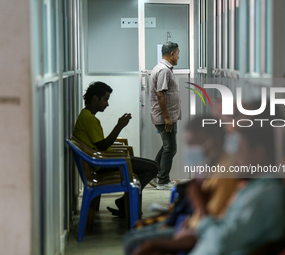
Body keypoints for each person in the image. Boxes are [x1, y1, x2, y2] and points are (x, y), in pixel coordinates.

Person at [132, 119, 285, 255]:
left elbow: (221, 240)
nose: (235, 160)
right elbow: (222, 227)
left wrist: (200, 207)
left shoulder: (263, 195)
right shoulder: (251, 187)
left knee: (138, 243)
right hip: (200, 242)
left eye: (240, 152)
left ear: (259, 152)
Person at [123, 116, 238, 255]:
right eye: (188, 143)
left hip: (196, 232)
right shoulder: (210, 165)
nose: (190, 149)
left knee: (134, 241)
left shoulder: (224, 172)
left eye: (195, 143)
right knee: (133, 235)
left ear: (215, 142)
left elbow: (210, 221)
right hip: (189, 224)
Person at [73, 81, 158, 217]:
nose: (107, 104)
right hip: (105, 164)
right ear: (95, 99)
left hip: (107, 161)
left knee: (152, 165)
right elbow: (102, 145)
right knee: (153, 168)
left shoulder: (86, 117)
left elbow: (100, 145)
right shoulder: (88, 119)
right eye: (105, 99)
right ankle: (125, 202)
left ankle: (125, 202)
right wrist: (119, 126)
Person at [150, 41, 181, 190]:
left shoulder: (162, 68)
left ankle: (154, 175)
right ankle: (162, 181)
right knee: (170, 148)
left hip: (167, 116)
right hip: (165, 117)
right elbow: (160, 94)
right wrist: (167, 117)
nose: (178, 57)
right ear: (172, 54)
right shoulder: (164, 70)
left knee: (167, 147)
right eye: (178, 53)